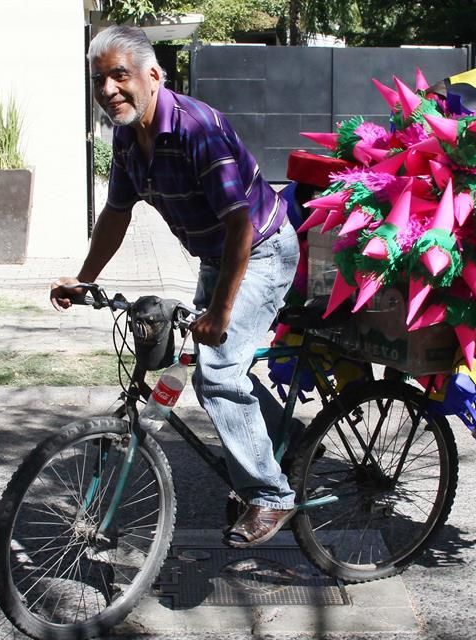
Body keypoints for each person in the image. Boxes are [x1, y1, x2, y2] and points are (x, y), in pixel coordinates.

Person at [51, 25, 299, 548]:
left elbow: (241, 226)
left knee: (216, 374)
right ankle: (288, 444)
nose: (110, 89)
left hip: (263, 250)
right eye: (100, 80)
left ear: (153, 75)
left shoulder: (195, 129)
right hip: (220, 255)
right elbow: (116, 215)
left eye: (120, 75)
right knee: (212, 361)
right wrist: (84, 280)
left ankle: (272, 495)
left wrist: (222, 311)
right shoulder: (127, 139)